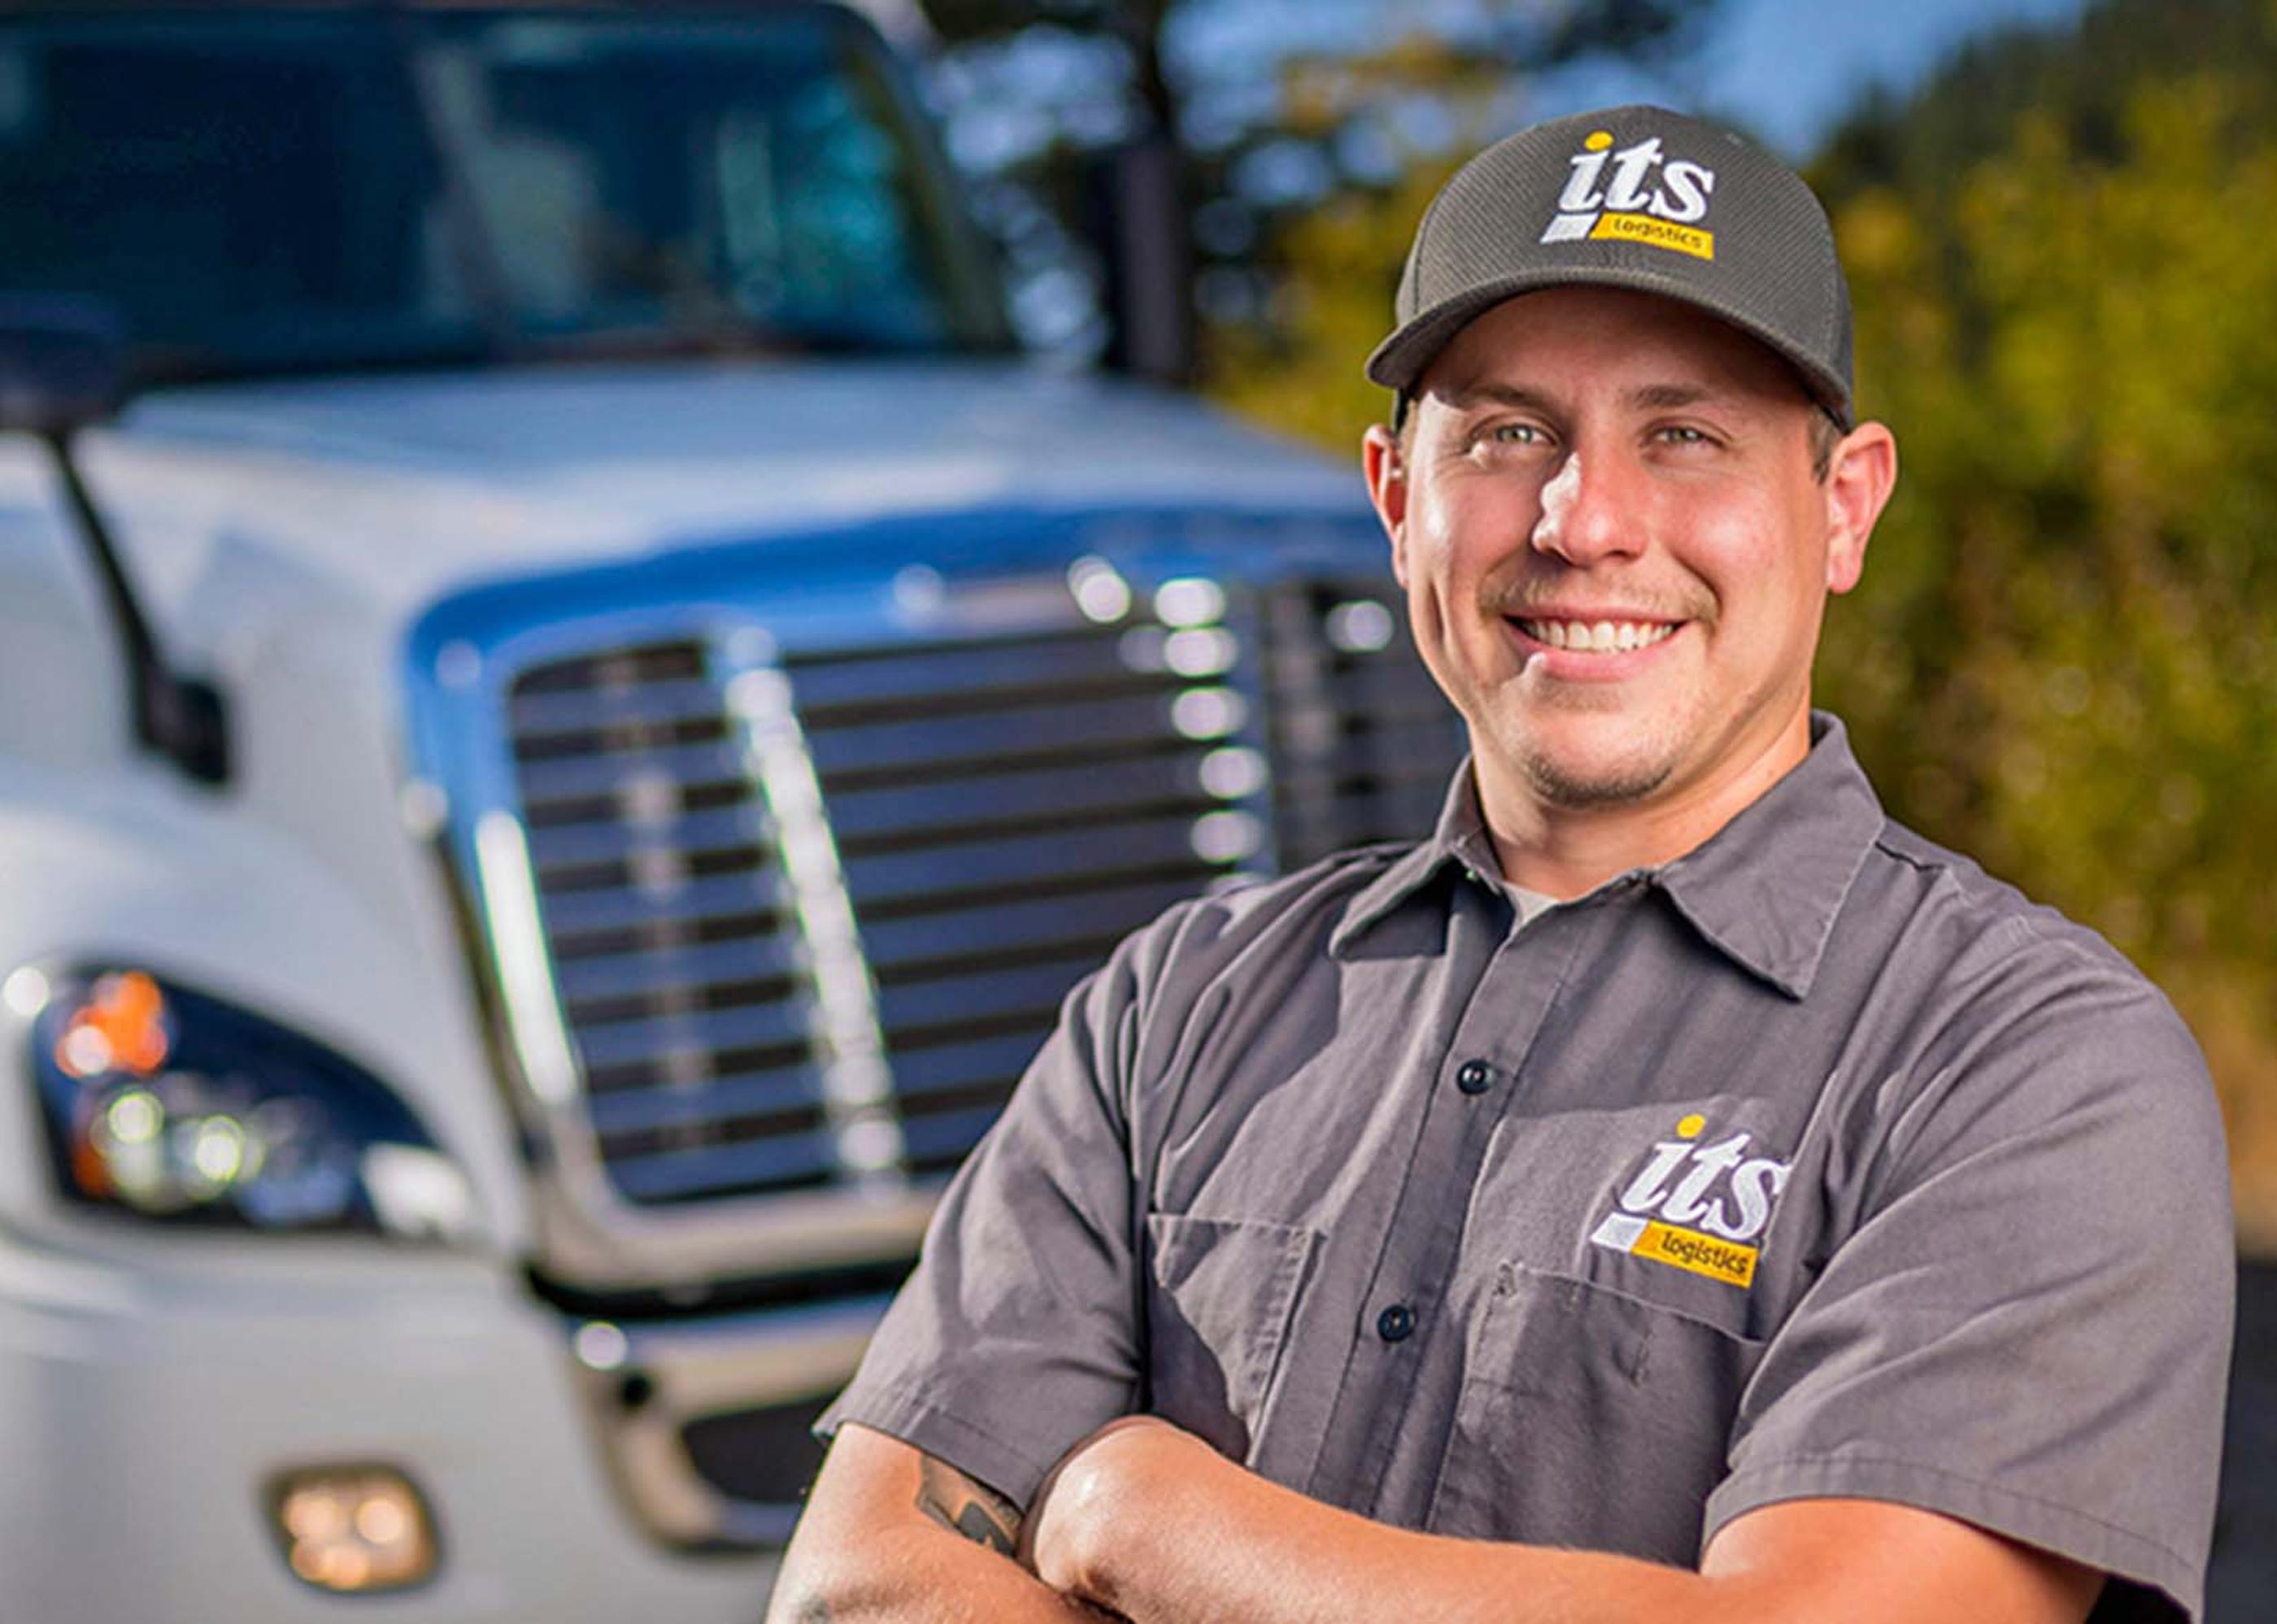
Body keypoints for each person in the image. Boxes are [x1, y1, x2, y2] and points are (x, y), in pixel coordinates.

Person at [767, 104, 2233, 1624]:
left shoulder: (2028, 1066)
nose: (1584, 520)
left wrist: (1150, 1515)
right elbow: (861, 1585)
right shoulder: (1170, 1018)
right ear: (1400, 501)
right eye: (1507, 432)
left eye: (1685, 434)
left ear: (1844, 505)